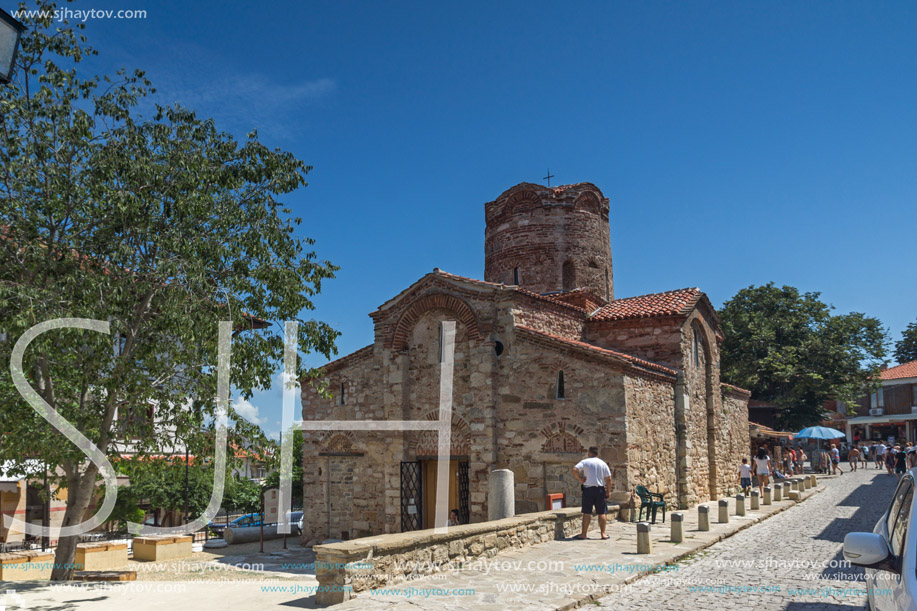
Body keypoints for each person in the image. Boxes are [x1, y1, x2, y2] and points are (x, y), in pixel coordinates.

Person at [572, 446, 612, 540]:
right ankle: (603, 534)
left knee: (587, 512)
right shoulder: (602, 463)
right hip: (600, 490)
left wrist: (580, 479)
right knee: (602, 512)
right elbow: (609, 479)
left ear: (589, 453)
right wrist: (608, 491)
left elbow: (574, 470)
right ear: (597, 453)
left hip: (588, 489)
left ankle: (583, 534)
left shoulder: (585, 462)